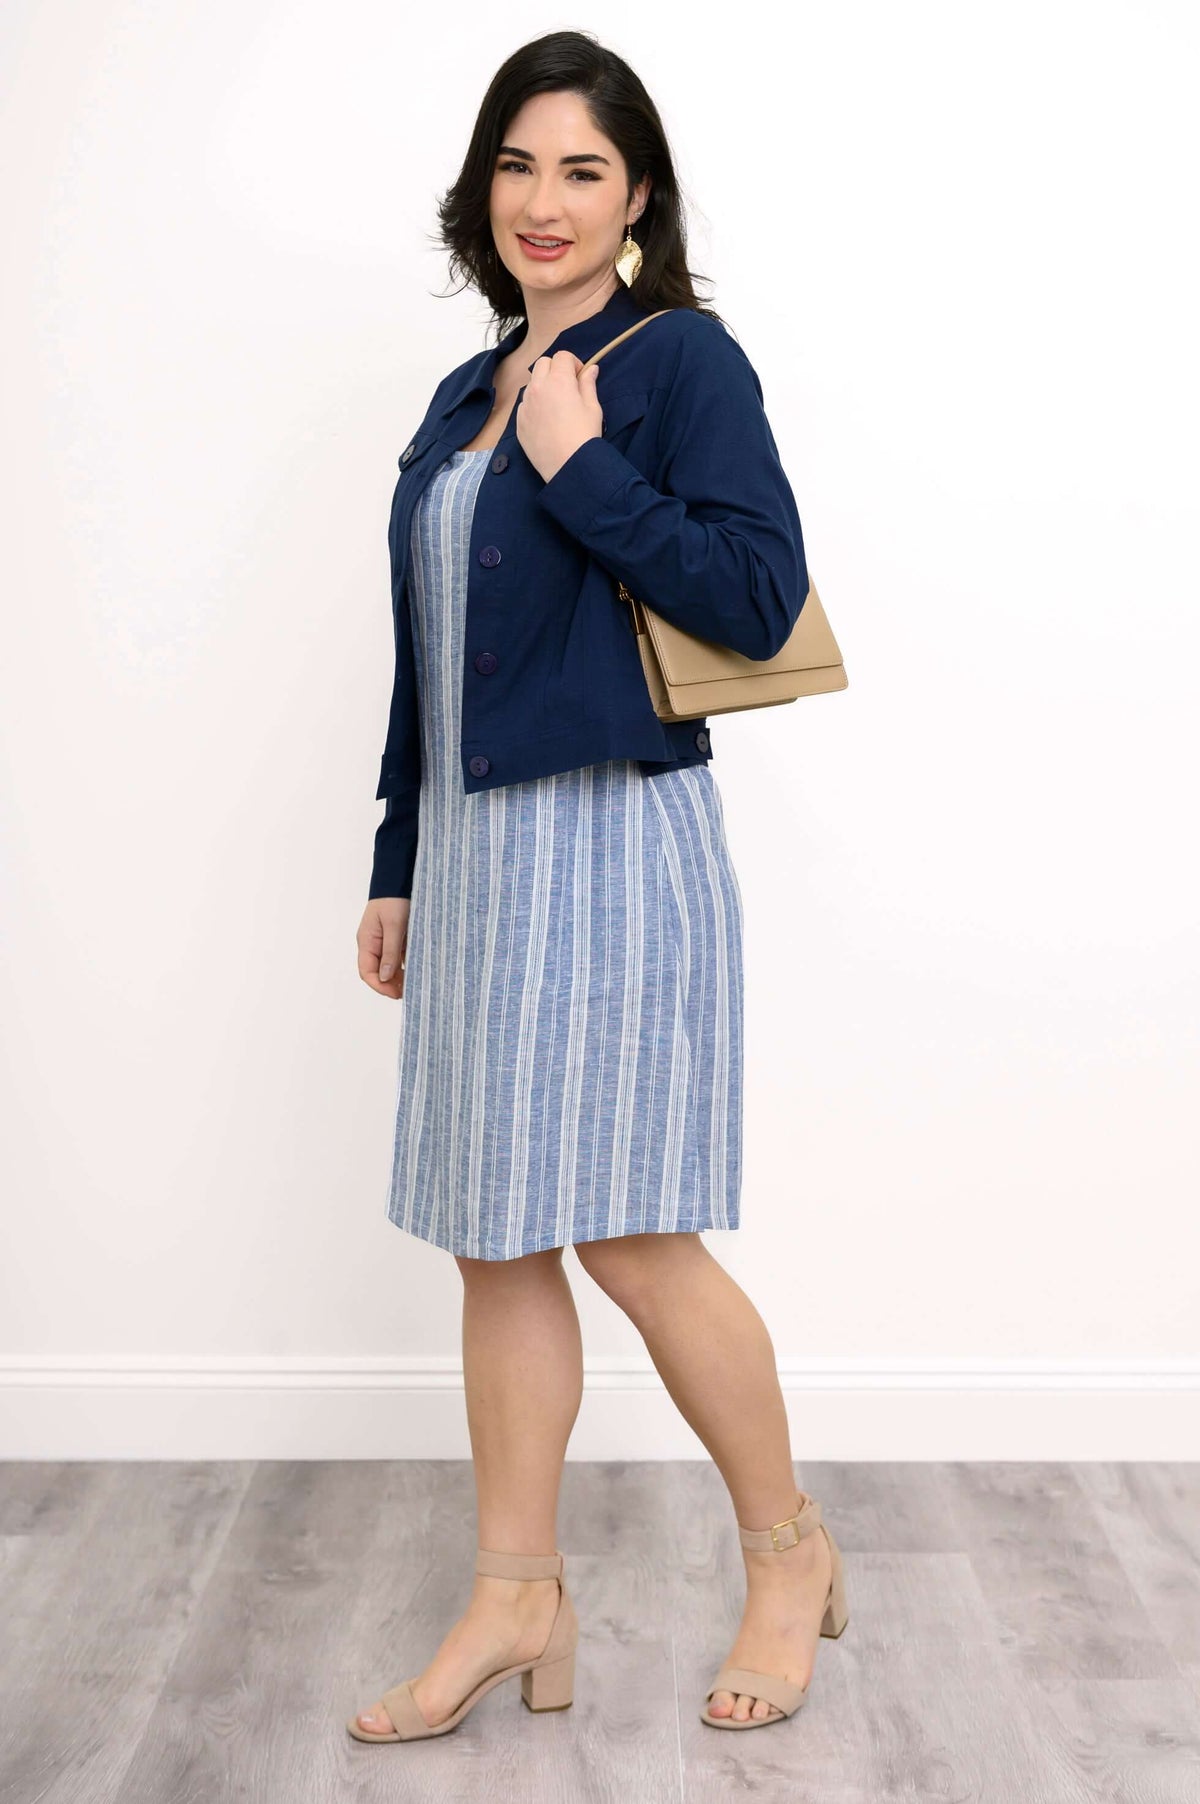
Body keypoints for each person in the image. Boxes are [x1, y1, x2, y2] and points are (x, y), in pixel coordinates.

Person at [348, 28, 848, 1746]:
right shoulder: (461, 390)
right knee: (498, 1240)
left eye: (582, 170)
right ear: (480, 189)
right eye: (517, 164)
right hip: (482, 858)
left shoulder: (678, 362)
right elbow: (430, 651)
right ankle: (516, 1599)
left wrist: (583, 463)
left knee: (634, 1234)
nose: (543, 202)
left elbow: (757, 591)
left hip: (616, 848)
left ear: (637, 199)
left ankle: (786, 1555)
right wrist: (400, 856)